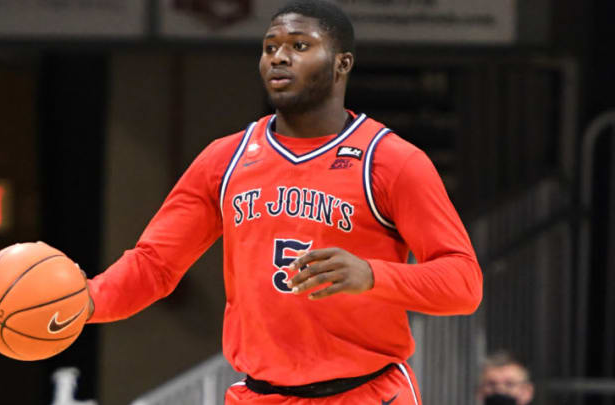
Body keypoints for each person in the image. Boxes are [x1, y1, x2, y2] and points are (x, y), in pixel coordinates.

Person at [84, 0, 483, 403]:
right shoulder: (224, 159)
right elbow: (154, 265)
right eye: (270, 47)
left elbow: (463, 284)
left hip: (364, 392)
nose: (279, 57)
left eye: (299, 46)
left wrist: (372, 275)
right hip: (260, 395)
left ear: (342, 63)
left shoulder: (392, 161)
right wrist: (84, 301)